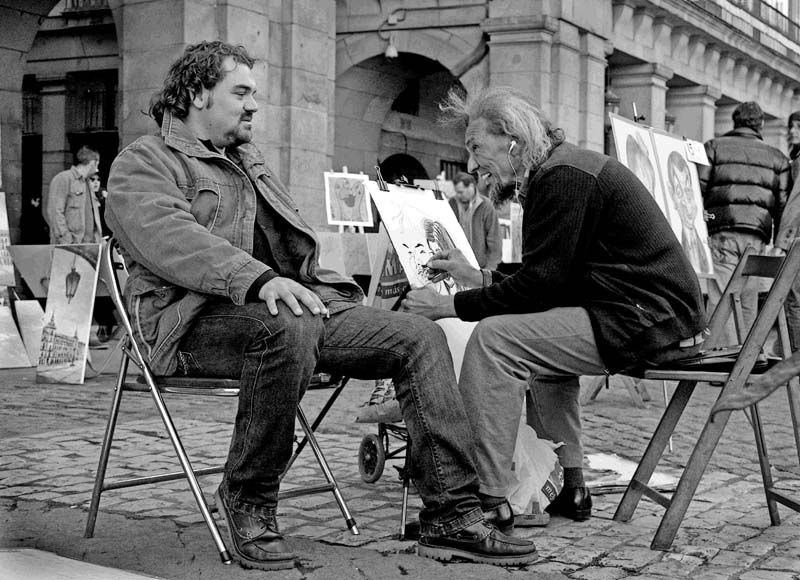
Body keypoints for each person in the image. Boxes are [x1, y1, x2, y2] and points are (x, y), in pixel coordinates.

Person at [104, 41, 536, 570]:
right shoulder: (143, 161)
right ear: (196, 94)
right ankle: (247, 498)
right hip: (188, 325)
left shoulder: (248, 161)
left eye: (254, 94)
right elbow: (168, 236)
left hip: (293, 313)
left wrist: (324, 292)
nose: (253, 104)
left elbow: (295, 252)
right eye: (241, 92)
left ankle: (451, 513)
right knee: (287, 323)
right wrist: (259, 280)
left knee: (420, 336)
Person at [403, 86, 706, 526]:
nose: (471, 165)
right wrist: (479, 277)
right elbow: (552, 277)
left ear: (512, 140)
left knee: (495, 340)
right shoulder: (560, 168)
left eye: (476, 147)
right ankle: (569, 486)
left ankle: (482, 499)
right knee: (539, 343)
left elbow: (540, 288)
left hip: (649, 322)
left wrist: (446, 305)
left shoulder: (563, 176)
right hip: (649, 315)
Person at [698, 101, 790, 346]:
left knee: (722, 295)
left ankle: (720, 354)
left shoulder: (714, 147)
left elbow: (698, 189)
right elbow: (783, 204)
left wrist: (703, 220)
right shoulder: (778, 158)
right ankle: (745, 356)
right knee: (748, 297)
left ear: (735, 121)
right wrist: (778, 242)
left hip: (722, 231)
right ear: (761, 124)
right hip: (758, 235)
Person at [775, 111, 800, 350]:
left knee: (794, 299)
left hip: (797, 239)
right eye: (791, 126)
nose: (792, 131)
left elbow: (795, 202)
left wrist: (782, 241)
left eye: (799, 127)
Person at [45, 145, 103, 244]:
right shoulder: (63, 179)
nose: (97, 170)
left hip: (88, 246)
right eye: (97, 165)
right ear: (92, 163)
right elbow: (55, 213)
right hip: (69, 246)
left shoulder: (88, 183)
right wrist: (67, 241)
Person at [665, 151, 712, 275]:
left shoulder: (702, 247)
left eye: (688, 190)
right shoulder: (675, 245)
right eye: (679, 192)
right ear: (672, 194)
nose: (686, 202)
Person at [449, 172, 502, 269]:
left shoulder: (486, 205)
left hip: (479, 267)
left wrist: (490, 268)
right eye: (457, 192)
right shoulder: (452, 203)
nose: (458, 195)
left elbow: (494, 240)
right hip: (457, 266)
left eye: (461, 192)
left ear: (471, 186)